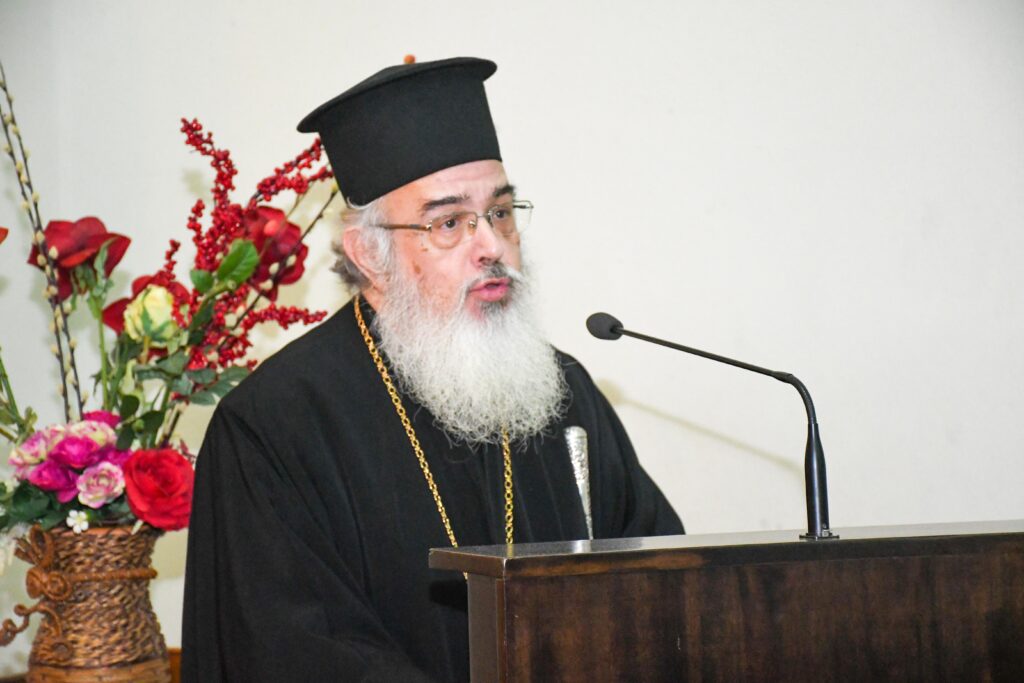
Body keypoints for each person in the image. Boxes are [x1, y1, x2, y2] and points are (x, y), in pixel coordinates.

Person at [181, 56, 683, 683]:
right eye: (449, 223)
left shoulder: (562, 392)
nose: (492, 246)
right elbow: (292, 649)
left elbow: (660, 582)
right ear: (369, 254)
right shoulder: (273, 425)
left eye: (501, 213)